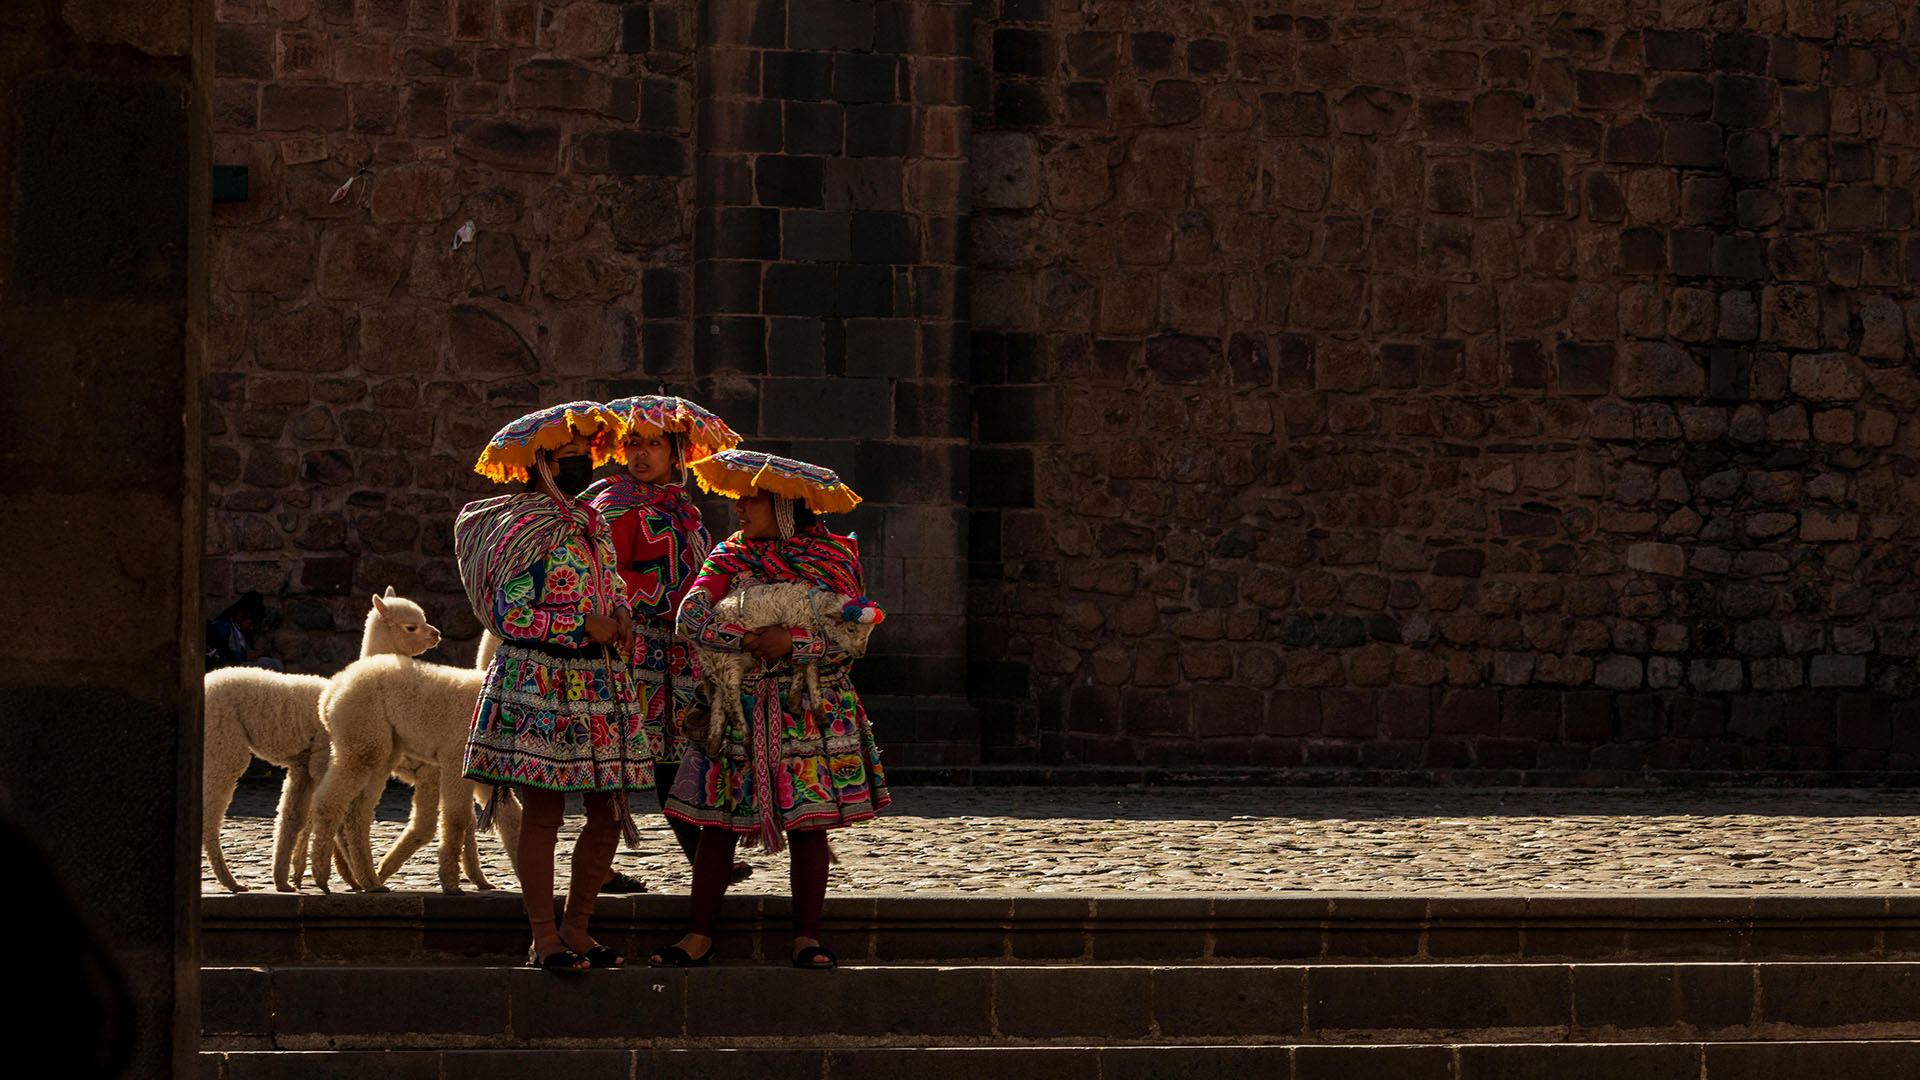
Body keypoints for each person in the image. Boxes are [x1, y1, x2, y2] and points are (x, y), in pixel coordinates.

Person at [648, 449, 887, 970]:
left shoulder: (835, 558)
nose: (738, 509)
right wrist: (748, 638)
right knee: (718, 823)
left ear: (783, 507)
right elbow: (691, 616)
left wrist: (794, 642)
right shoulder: (729, 556)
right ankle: (698, 934)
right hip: (738, 702)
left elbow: (851, 633)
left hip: (807, 705)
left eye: (750, 499)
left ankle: (806, 936)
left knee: (808, 823)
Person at [454, 401, 652, 972]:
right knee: (543, 813)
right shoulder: (520, 526)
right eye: (566, 458)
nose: (579, 466)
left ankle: (579, 927)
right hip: (540, 679)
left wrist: (618, 616)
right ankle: (544, 937)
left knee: (608, 811)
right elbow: (505, 613)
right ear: (538, 463)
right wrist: (574, 625)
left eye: (583, 456)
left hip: (599, 681)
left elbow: (608, 585)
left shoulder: (592, 525)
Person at [581, 394, 751, 892]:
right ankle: (599, 868)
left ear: (677, 451)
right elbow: (605, 574)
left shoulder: (680, 507)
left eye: (654, 443)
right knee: (617, 755)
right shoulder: (612, 505)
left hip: (674, 651)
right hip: (631, 646)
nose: (641, 453)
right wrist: (673, 595)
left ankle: (702, 855)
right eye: (633, 442)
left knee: (672, 754)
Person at [204, 592, 283, 671]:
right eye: (250, 624)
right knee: (273, 665)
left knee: (275, 663)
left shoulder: (243, 631)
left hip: (238, 665)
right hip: (227, 667)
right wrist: (244, 656)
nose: (251, 628)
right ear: (240, 616)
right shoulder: (223, 627)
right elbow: (219, 656)